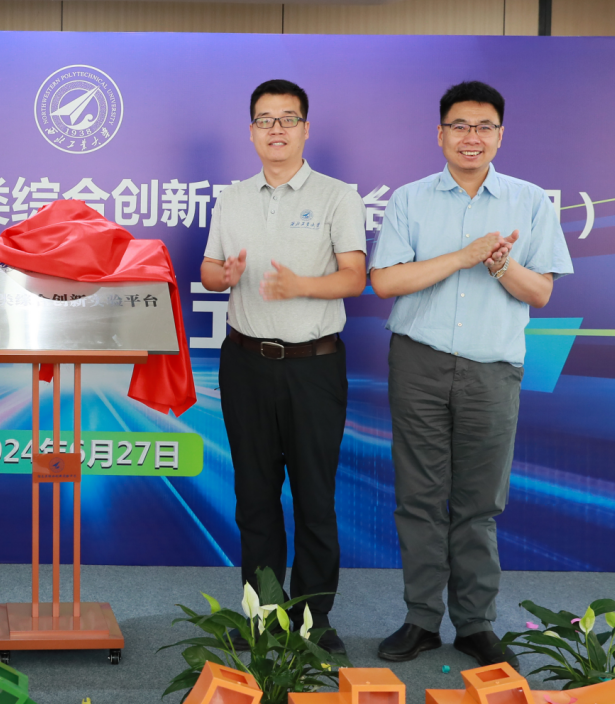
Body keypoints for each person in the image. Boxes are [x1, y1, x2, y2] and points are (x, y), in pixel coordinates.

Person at [370, 81, 573, 668]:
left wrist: (502, 264)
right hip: (419, 362)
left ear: (500, 136)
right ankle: (420, 619)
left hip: (493, 369)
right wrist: (463, 255)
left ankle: (475, 623)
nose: (471, 137)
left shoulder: (530, 201)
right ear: (440, 134)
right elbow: (386, 281)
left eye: (484, 127)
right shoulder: (410, 199)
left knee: (479, 503)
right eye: (459, 126)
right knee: (418, 498)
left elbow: (541, 292)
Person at [200, 79, 367, 654]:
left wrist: (302, 286)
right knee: (255, 497)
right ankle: (264, 614)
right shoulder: (232, 198)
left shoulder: (337, 196)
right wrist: (223, 276)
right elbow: (210, 270)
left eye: (287, 119)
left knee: (315, 498)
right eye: (265, 120)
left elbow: (355, 277)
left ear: (305, 129)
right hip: (245, 363)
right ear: (251, 131)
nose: (276, 129)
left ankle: (314, 618)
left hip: (313, 366)